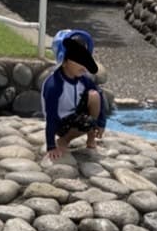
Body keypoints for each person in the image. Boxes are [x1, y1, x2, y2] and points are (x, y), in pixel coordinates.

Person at [40, 29, 107, 162]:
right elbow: (51, 116)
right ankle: (64, 140)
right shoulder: (55, 86)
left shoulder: (82, 79)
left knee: (94, 95)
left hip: (75, 114)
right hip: (60, 122)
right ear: (63, 61)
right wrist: (51, 145)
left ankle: (91, 138)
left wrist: (101, 122)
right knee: (88, 122)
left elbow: (98, 94)